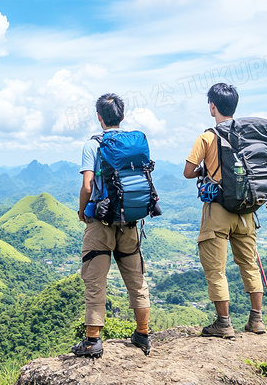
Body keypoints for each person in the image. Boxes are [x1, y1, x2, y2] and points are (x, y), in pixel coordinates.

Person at [182, 83, 266, 338]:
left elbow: (188, 172)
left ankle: (223, 323)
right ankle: (257, 321)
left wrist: (206, 169)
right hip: (246, 211)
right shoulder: (249, 136)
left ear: (213, 106)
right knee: (249, 264)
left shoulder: (207, 136)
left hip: (218, 210)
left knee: (216, 269)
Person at [72, 93, 151, 357]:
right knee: (136, 280)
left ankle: (93, 340)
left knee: (95, 281)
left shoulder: (93, 145)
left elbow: (87, 185)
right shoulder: (134, 144)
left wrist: (82, 210)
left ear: (98, 117)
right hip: (129, 221)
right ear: (122, 115)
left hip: (100, 224)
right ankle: (143, 333)